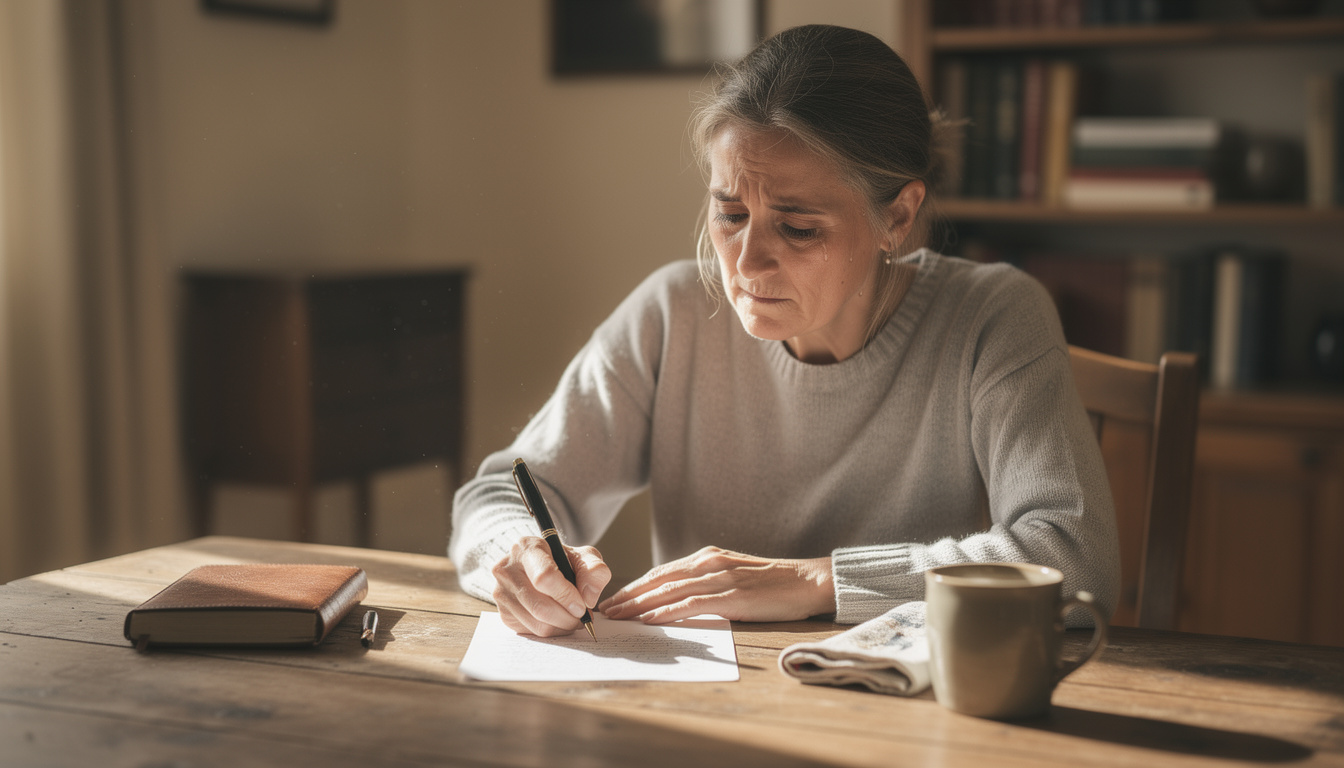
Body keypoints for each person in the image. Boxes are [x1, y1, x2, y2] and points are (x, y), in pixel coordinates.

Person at [449, 24, 1120, 638]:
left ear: (898, 217)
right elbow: (496, 494)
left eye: (798, 227)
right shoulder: (671, 312)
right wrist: (518, 554)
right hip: (707, 712)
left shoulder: (992, 315)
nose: (744, 262)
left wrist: (814, 580)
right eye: (729, 213)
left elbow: (1073, 555)